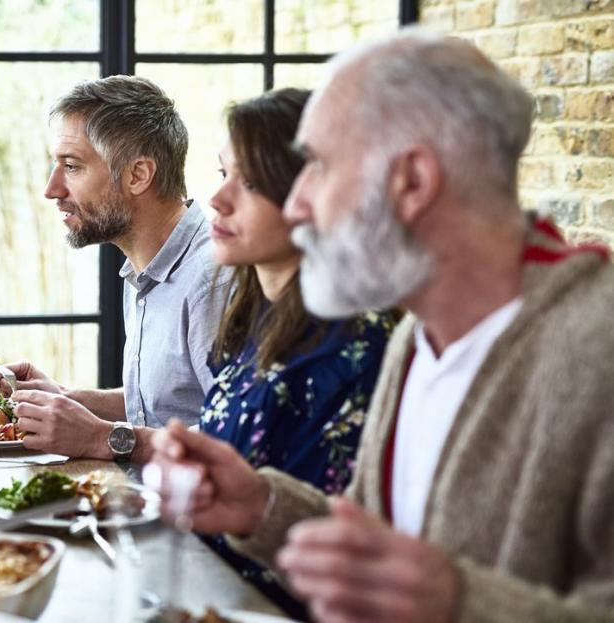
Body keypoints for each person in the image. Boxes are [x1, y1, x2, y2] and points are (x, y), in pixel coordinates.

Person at [150, 29, 614, 623]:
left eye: (317, 166)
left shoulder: (596, 350)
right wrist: (261, 506)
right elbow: (380, 548)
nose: (297, 205)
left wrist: (458, 602)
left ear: (413, 182)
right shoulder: (416, 339)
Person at [196, 88, 395, 619]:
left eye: (252, 182)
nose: (218, 199)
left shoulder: (355, 347)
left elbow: (331, 539)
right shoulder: (248, 314)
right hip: (205, 590)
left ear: (312, 194)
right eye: (222, 173)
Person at [1, 75, 227, 461]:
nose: (52, 189)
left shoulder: (212, 280)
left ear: (138, 175)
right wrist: (65, 399)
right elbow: (166, 404)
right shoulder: (143, 268)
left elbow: (233, 434)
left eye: (72, 167)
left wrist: (100, 438)